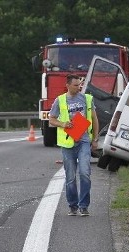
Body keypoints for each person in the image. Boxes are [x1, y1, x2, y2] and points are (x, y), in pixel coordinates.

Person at [48, 74, 100, 217]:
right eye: (76, 85)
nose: (79, 87)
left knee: (84, 173)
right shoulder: (60, 100)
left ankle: (84, 206)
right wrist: (63, 124)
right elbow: (51, 120)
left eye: (80, 85)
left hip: (83, 141)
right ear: (68, 85)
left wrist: (95, 139)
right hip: (68, 143)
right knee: (70, 177)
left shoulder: (87, 99)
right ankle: (73, 206)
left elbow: (94, 119)